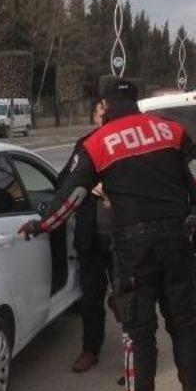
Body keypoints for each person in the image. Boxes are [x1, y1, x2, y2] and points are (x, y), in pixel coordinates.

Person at [18, 80, 196, 391]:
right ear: (136, 101)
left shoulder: (97, 143)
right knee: (185, 327)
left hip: (134, 250)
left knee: (138, 334)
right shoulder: (173, 131)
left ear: (105, 106)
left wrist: (41, 225)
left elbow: (70, 197)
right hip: (177, 241)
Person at [60, 99, 114, 373]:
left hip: (122, 237)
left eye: (109, 113)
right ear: (94, 117)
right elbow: (63, 182)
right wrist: (88, 185)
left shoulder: (126, 143)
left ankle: (136, 359)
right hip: (90, 236)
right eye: (101, 114)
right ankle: (90, 349)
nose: (105, 119)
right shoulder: (85, 144)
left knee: (129, 300)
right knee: (91, 298)